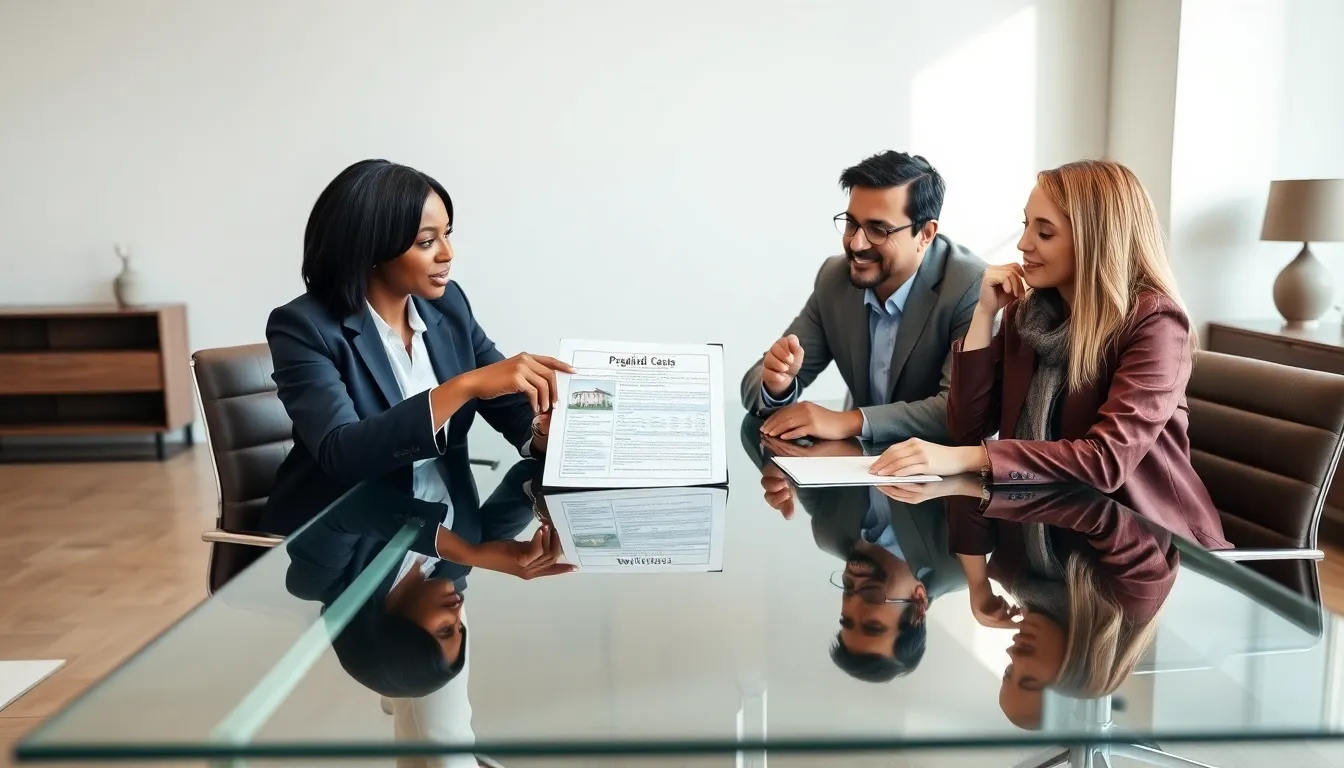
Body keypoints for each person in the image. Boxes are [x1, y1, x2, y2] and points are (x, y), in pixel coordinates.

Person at [869, 160, 1229, 550]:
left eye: (1044, 232)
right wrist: (983, 314)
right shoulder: (1027, 314)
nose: (1024, 244)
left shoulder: (1156, 323)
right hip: (1053, 530)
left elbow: (1106, 462)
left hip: (1149, 547)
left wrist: (965, 459)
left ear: (1095, 240)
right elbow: (965, 430)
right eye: (1026, 226)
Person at [261, 159, 579, 576]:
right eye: (427, 241)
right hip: (341, 534)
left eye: (447, 234)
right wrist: (463, 387)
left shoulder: (448, 305)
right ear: (370, 248)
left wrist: (541, 433)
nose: (448, 254)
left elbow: (507, 406)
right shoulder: (304, 326)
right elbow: (342, 453)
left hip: (437, 513)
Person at [741, 151, 987, 443]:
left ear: (925, 234)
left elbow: (959, 412)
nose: (856, 244)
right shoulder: (835, 279)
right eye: (851, 223)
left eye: (878, 230)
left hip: (940, 469)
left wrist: (848, 421)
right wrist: (775, 385)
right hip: (857, 462)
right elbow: (755, 382)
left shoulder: (970, 287)